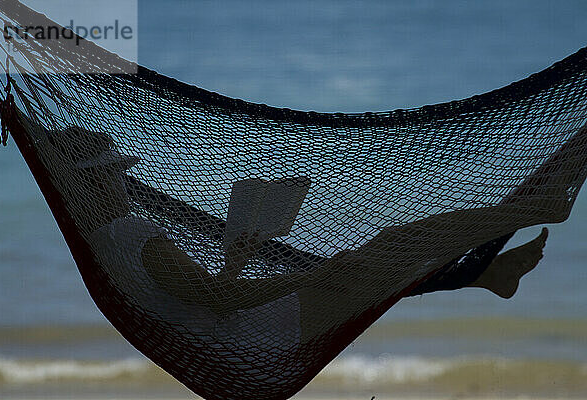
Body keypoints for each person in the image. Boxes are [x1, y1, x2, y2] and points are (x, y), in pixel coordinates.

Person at [46, 123, 586, 344]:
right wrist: (314, 275)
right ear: (98, 181)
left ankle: (485, 271)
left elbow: (199, 298)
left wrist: (238, 258)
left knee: (385, 262)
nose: (124, 176)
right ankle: (527, 210)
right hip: (259, 339)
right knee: (392, 250)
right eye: (115, 170)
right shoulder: (134, 233)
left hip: (245, 336)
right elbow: (220, 299)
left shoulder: (112, 241)